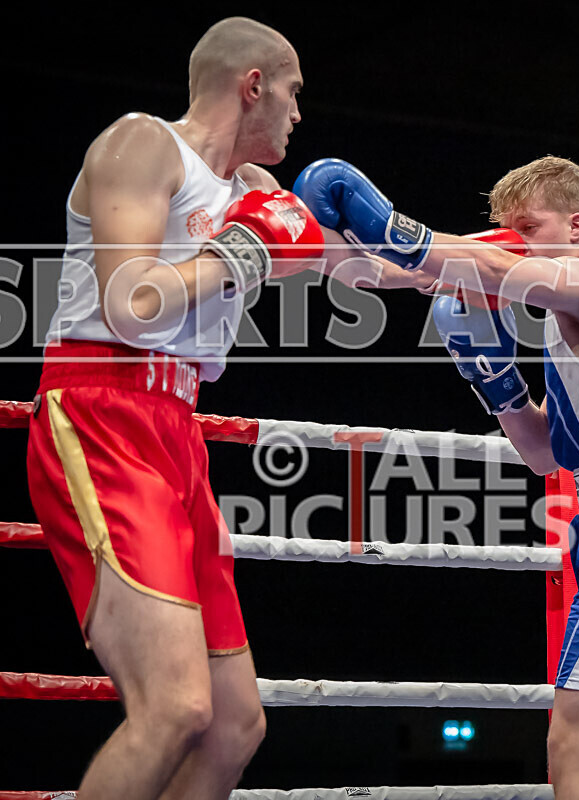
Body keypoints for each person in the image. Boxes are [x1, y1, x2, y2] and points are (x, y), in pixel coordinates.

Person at [26, 17, 428, 800]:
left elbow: (362, 269)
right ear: (254, 85)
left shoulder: (258, 195)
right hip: (103, 407)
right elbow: (131, 304)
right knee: (173, 707)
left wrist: (502, 268)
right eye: (294, 91)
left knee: (235, 724)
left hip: (179, 430)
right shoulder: (142, 145)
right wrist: (241, 251)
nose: (298, 112)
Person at [293, 156, 579, 799]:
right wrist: (495, 379)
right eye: (506, 231)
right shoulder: (564, 322)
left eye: (527, 228)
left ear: (575, 224)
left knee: (575, 743)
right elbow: (543, 455)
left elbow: (490, 266)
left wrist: (389, 224)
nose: (515, 244)